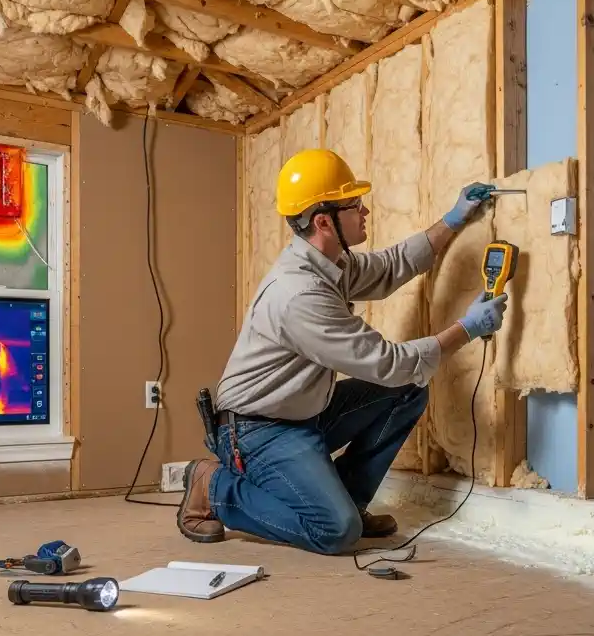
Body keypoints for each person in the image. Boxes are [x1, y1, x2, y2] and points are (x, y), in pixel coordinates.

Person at [177, 148, 509, 554]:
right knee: (335, 531)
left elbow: (390, 267)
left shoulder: (328, 262)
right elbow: (388, 364)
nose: (364, 211)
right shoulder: (300, 294)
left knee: (407, 392)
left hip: (304, 412)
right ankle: (214, 488)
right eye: (355, 205)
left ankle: (348, 500)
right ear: (323, 221)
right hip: (257, 431)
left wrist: (454, 218)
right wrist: (467, 329)